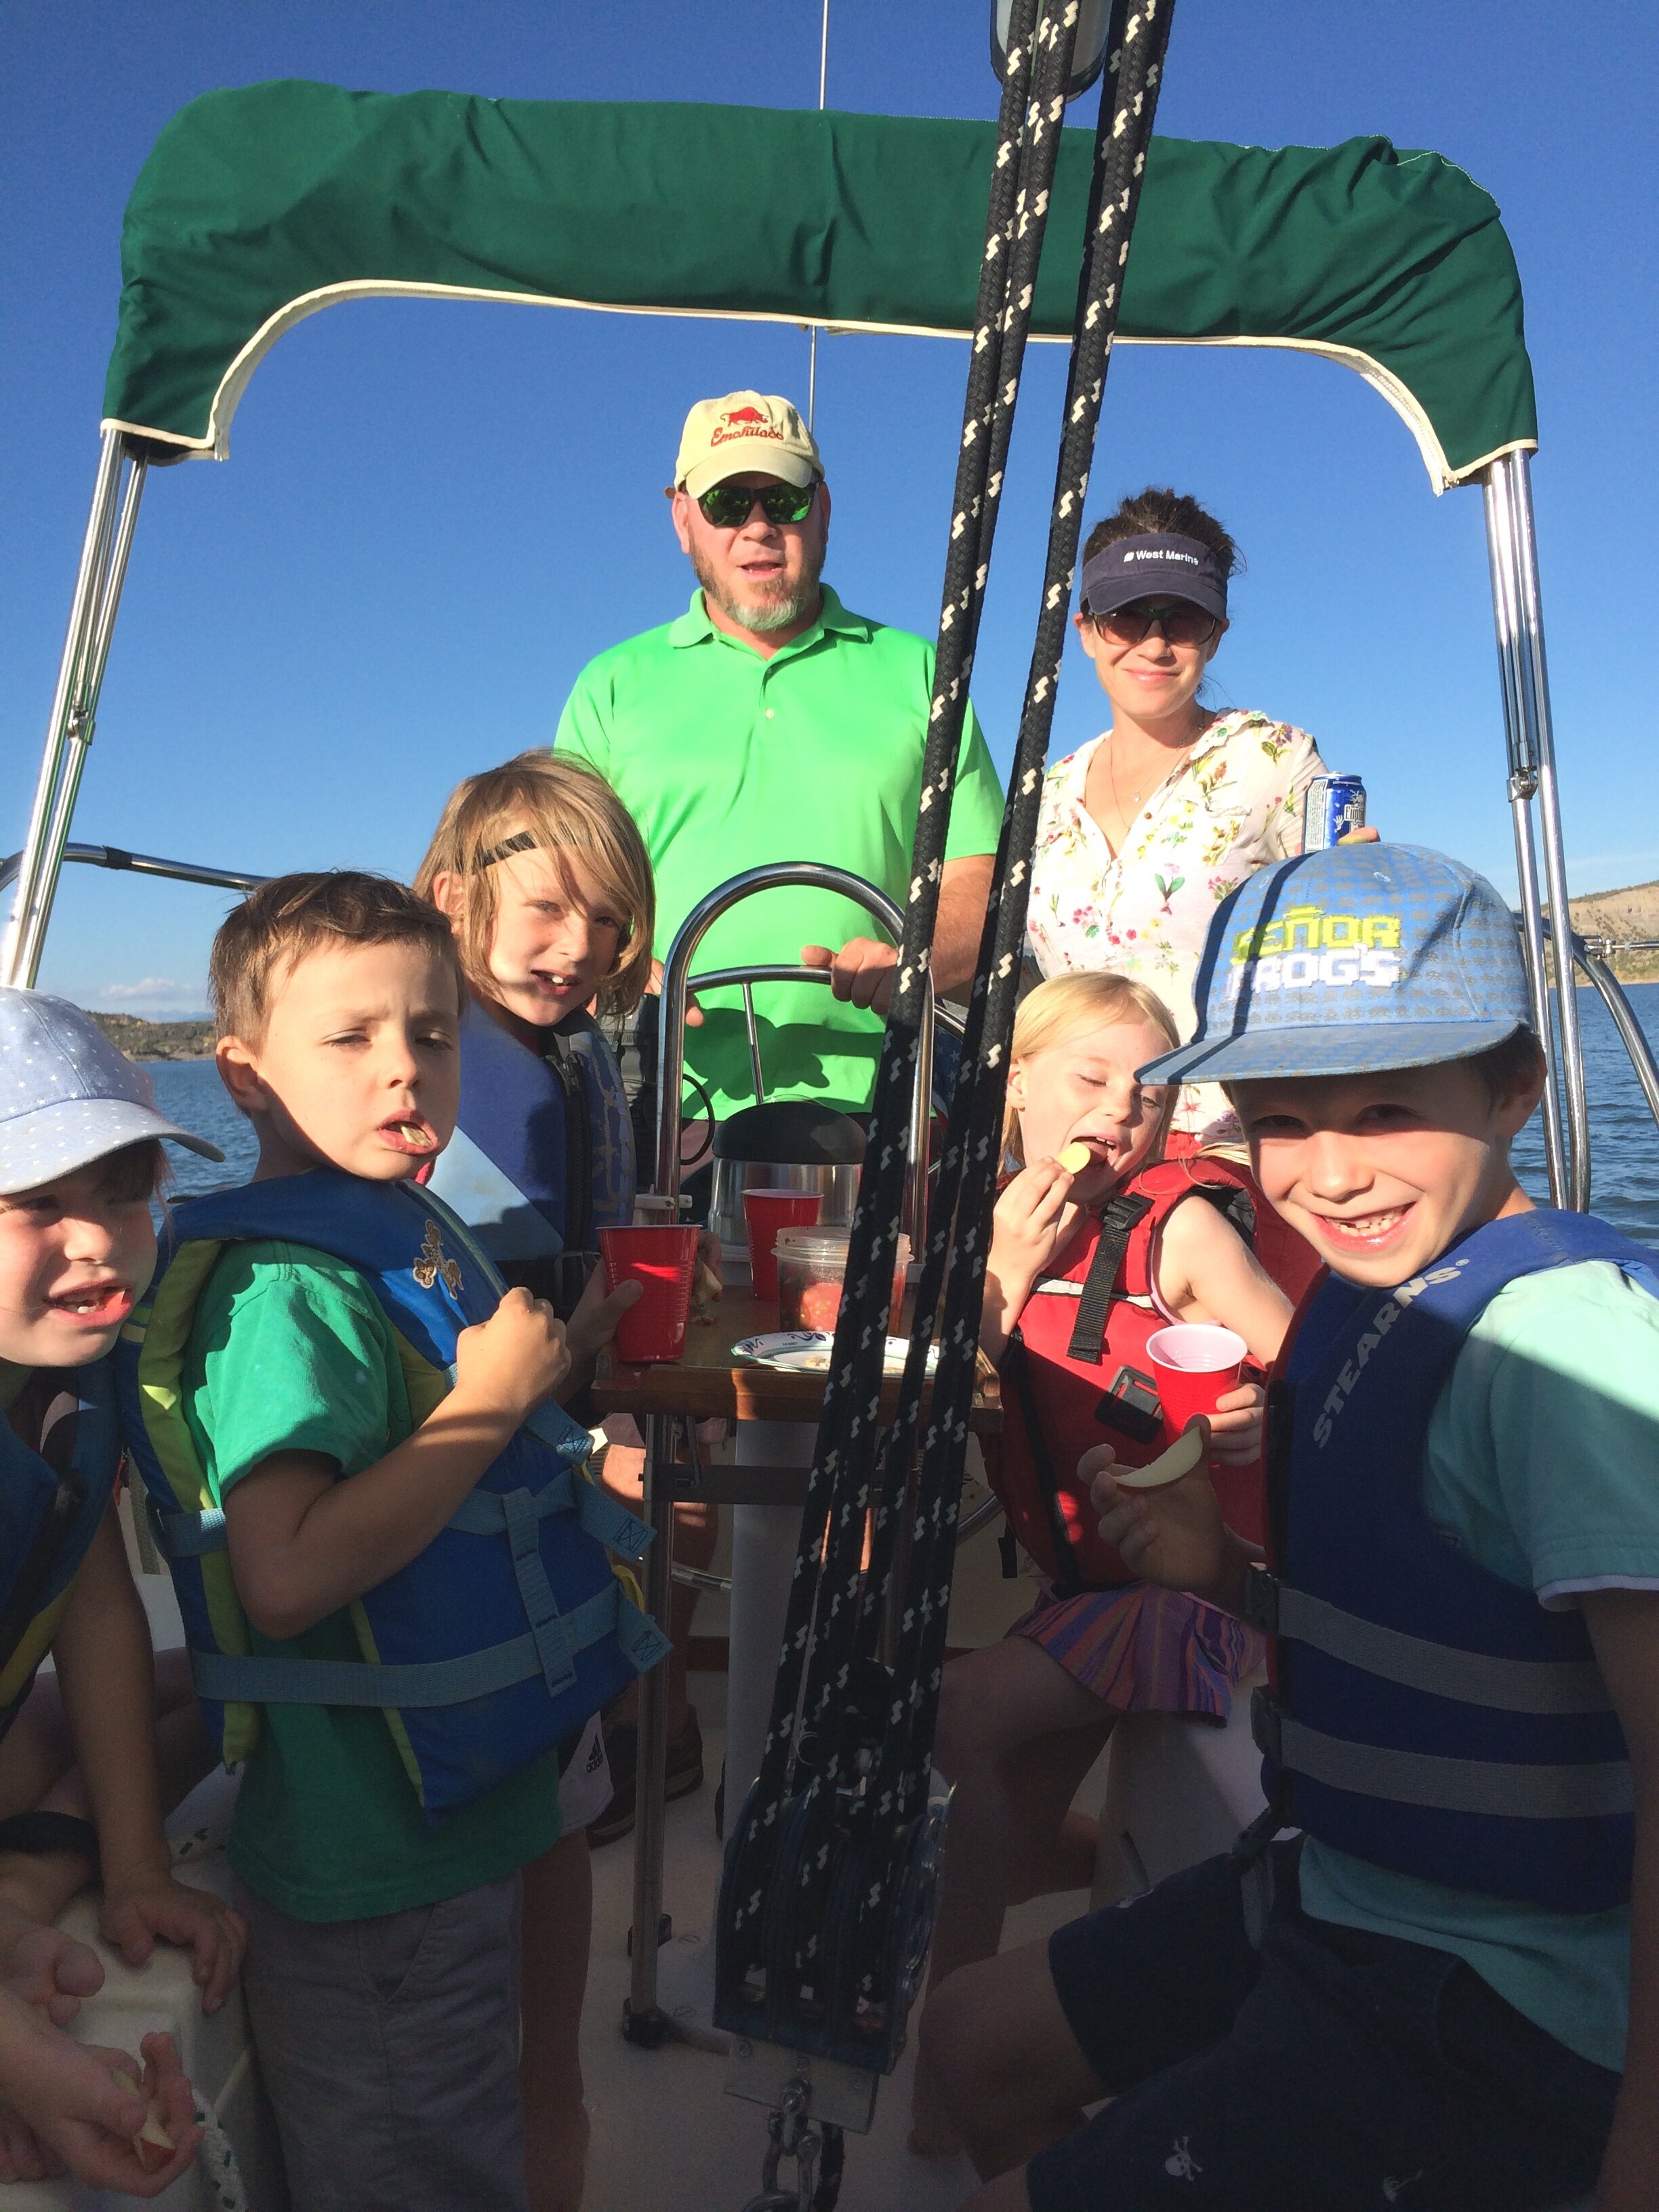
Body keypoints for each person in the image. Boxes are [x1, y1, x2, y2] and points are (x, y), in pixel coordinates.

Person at [925, 843, 1659, 2212]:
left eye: (1387, 1110)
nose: (1328, 1175)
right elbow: (1431, 1611)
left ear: (1516, 1087)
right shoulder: (1374, 1300)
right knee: (972, 2043)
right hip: (1340, 1886)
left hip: (1494, 2001)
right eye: (1282, 1118)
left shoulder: (1571, 1356)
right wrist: (1224, 1566)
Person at [117, 873, 667, 2212]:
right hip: (374, 1874)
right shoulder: (282, 1297)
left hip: (453, 1827)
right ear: (243, 1077)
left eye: (429, 1034)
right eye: (349, 1039)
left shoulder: (399, 1234)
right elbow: (287, 1574)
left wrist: (558, 1394)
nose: (405, 1072)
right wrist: (491, 1402)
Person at [911, 972, 1287, 2150]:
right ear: (1012, 1083)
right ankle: (1144, 1915)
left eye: (1149, 1091)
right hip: (1087, 1590)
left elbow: (1303, 1357)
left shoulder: (1177, 1223)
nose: (1121, 1112)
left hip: (1187, 1592)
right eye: (1088, 1079)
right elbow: (942, 1404)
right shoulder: (987, 1219)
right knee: (1005, 1835)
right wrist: (997, 1281)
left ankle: (942, 2045)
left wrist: (1260, 1412)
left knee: (962, 1709)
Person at [415, 752, 675, 2207]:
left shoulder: (552, 1058)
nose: (578, 946)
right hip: (485, 1508)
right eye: (550, 908)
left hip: (541, 1492)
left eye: (607, 923)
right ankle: (547, 2111)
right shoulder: (464, 1068)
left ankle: (555, 2104)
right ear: (455, 902)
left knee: (561, 1807)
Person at [554, 389, 1004, 1138]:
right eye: (728, 501)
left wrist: (912, 957)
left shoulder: (922, 672)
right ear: (682, 518)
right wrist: (622, 961)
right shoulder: (611, 685)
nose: (757, 527)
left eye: (783, 499)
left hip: (887, 1093)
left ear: (821, 507)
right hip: (660, 1093)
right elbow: (564, 882)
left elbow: (980, 883)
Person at [0, 989, 245, 2196]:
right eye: (36, 1201)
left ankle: (36, 1879)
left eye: (123, 1187)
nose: (95, 1237)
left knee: (218, 1685)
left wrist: (141, 1867)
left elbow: (95, 1609)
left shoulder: (69, 1377)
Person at [1026, 484, 1375, 1163]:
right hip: (1068, 1153)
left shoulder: (1272, 758)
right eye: (1129, 616)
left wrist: (1361, 893)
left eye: (1183, 619)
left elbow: (1340, 946)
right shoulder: (1046, 792)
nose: (1155, 644)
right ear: (1088, 629)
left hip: (1225, 1151)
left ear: (1215, 636)